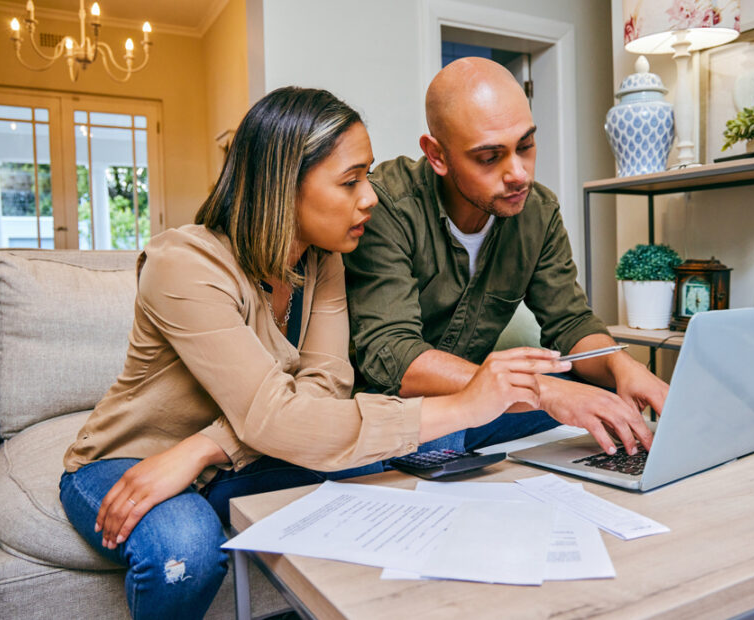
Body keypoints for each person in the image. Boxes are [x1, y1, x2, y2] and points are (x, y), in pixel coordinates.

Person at [59, 86, 568, 619]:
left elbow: (326, 391)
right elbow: (280, 417)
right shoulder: (182, 264)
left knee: (407, 466)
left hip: (231, 458)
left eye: (367, 176)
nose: (369, 196)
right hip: (136, 459)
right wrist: (466, 404)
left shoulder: (323, 262)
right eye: (350, 181)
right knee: (184, 549)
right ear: (282, 188)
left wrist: (205, 449)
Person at [343, 57, 670, 457]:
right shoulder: (386, 205)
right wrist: (543, 390)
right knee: (557, 407)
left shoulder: (538, 211)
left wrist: (621, 364)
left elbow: (569, 321)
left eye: (526, 145)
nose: (519, 174)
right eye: (489, 157)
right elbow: (392, 353)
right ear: (437, 155)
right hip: (396, 416)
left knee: (603, 404)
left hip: (484, 411)